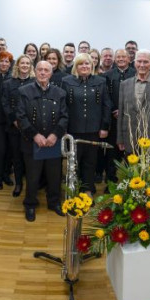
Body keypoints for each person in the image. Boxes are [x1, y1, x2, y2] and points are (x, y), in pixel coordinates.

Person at [16, 61, 69, 222]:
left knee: (54, 175)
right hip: (32, 142)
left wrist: (54, 135)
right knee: (32, 176)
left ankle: (54, 203)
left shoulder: (60, 92)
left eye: (46, 70)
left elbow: (64, 116)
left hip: (53, 142)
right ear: (35, 71)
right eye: (40, 70)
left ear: (51, 73)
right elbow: (21, 116)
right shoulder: (24, 91)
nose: (43, 73)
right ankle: (30, 204)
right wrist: (35, 135)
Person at [61, 53, 111, 195]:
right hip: (72, 130)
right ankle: (74, 190)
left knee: (90, 162)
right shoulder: (66, 81)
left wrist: (104, 126)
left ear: (92, 65)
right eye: (81, 64)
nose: (84, 66)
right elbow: (62, 106)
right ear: (76, 66)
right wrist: (63, 129)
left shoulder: (101, 81)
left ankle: (87, 189)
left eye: (87, 64)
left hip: (93, 130)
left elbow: (106, 105)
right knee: (73, 162)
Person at [118, 50, 150, 156]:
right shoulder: (124, 84)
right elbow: (121, 114)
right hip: (129, 137)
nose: (142, 65)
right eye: (139, 61)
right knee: (131, 172)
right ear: (134, 63)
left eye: (145, 62)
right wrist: (120, 138)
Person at [100, 49, 136, 185]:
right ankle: (110, 183)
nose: (121, 59)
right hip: (113, 121)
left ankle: (130, 184)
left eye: (123, 57)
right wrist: (114, 110)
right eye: (118, 57)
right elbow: (106, 96)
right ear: (115, 59)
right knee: (112, 154)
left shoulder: (135, 73)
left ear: (129, 59)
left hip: (131, 121)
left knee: (130, 153)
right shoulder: (108, 75)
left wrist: (125, 110)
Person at [2, 55, 35, 197]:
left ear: (31, 66)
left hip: (31, 128)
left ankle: (31, 184)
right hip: (14, 127)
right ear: (17, 65)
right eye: (22, 63)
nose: (25, 65)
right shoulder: (8, 83)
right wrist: (15, 120)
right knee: (16, 157)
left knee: (30, 157)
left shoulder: (35, 82)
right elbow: (5, 103)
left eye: (28, 63)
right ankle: (18, 184)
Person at [0, 51, 14, 190]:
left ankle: (6, 174)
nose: (4, 64)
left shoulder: (13, 78)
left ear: (10, 64)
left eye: (7, 61)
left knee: (10, 151)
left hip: (10, 120)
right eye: (2, 61)